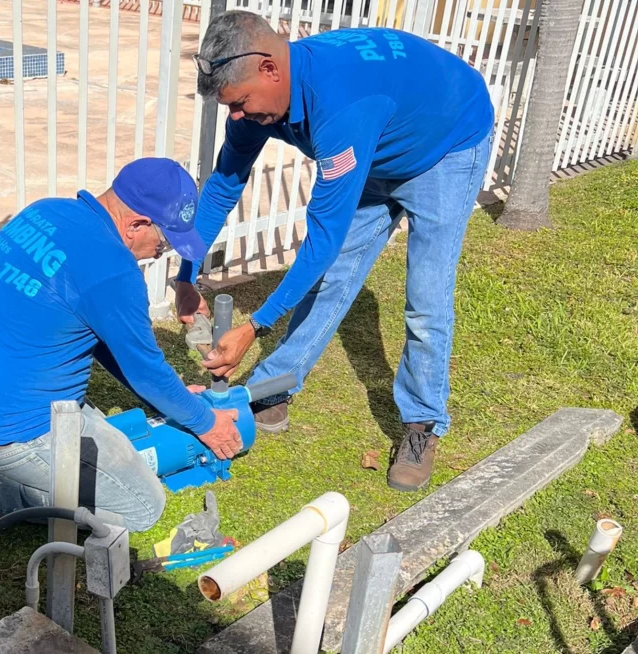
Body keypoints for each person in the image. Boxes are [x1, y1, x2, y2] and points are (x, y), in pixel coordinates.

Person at [175, 12, 495, 492]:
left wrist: (255, 324)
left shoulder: (340, 108)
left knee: (426, 300)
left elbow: (322, 237)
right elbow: (223, 186)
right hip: (379, 143)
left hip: (447, 146)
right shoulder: (255, 103)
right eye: (229, 107)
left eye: (240, 103)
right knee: (333, 276)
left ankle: (422, 424)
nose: (236, 117)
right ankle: (276, 385)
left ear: (270, 68)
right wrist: (185, 275)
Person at [0, 158, 242, 548]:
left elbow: (102, 339)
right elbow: (146, 370)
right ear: (136, 224)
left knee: (111, 448)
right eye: (164, 242)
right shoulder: (113, 270)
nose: (158, 253)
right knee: (142, 506)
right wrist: (206, 422)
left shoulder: (46, 212)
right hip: (12, 427)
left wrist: (179, 401)